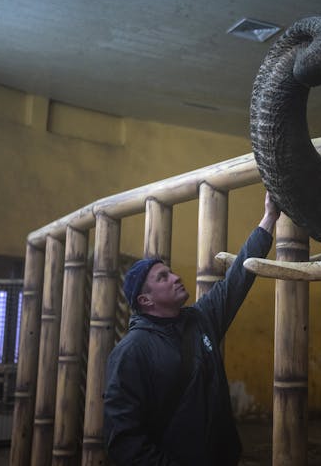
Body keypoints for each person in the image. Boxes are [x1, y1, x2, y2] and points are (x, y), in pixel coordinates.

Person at [103, 193, 280, 465]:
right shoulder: (130, 352)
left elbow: (237, 279)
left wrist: (269, 217)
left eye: (171, 272)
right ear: (145, 300)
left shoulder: (200, 319)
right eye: (163, 277)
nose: (176, 277)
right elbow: (124, 444)